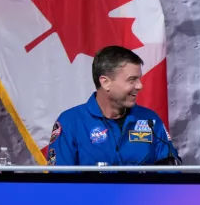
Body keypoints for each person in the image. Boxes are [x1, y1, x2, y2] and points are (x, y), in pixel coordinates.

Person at [47, 46, 179, 166]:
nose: (140, 86)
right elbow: (60, 184)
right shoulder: (71, 122)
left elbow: (170, 174)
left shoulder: (150, 119)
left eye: (139, 79)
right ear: (105, 83)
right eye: (132, 80)